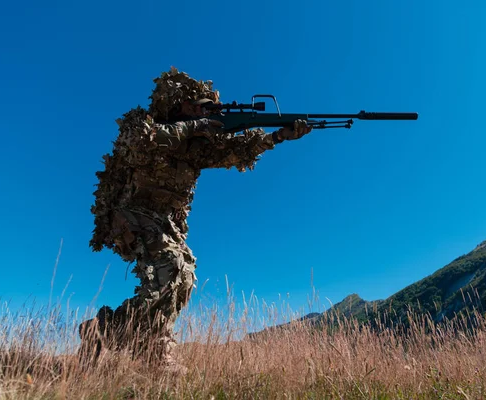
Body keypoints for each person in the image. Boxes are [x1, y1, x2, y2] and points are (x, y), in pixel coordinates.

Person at [78, 67, 312, 365]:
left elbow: (235, 151)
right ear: (185, 106)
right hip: (130, 215)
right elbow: (141, 142)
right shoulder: (145, 125)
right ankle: (134, 342)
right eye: (204, 108)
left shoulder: (197, 149)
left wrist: (278, 135)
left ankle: (131, 341)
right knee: (171, 265)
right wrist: (194, 127)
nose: (211, 112)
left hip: (166, 223)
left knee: (184, 277)